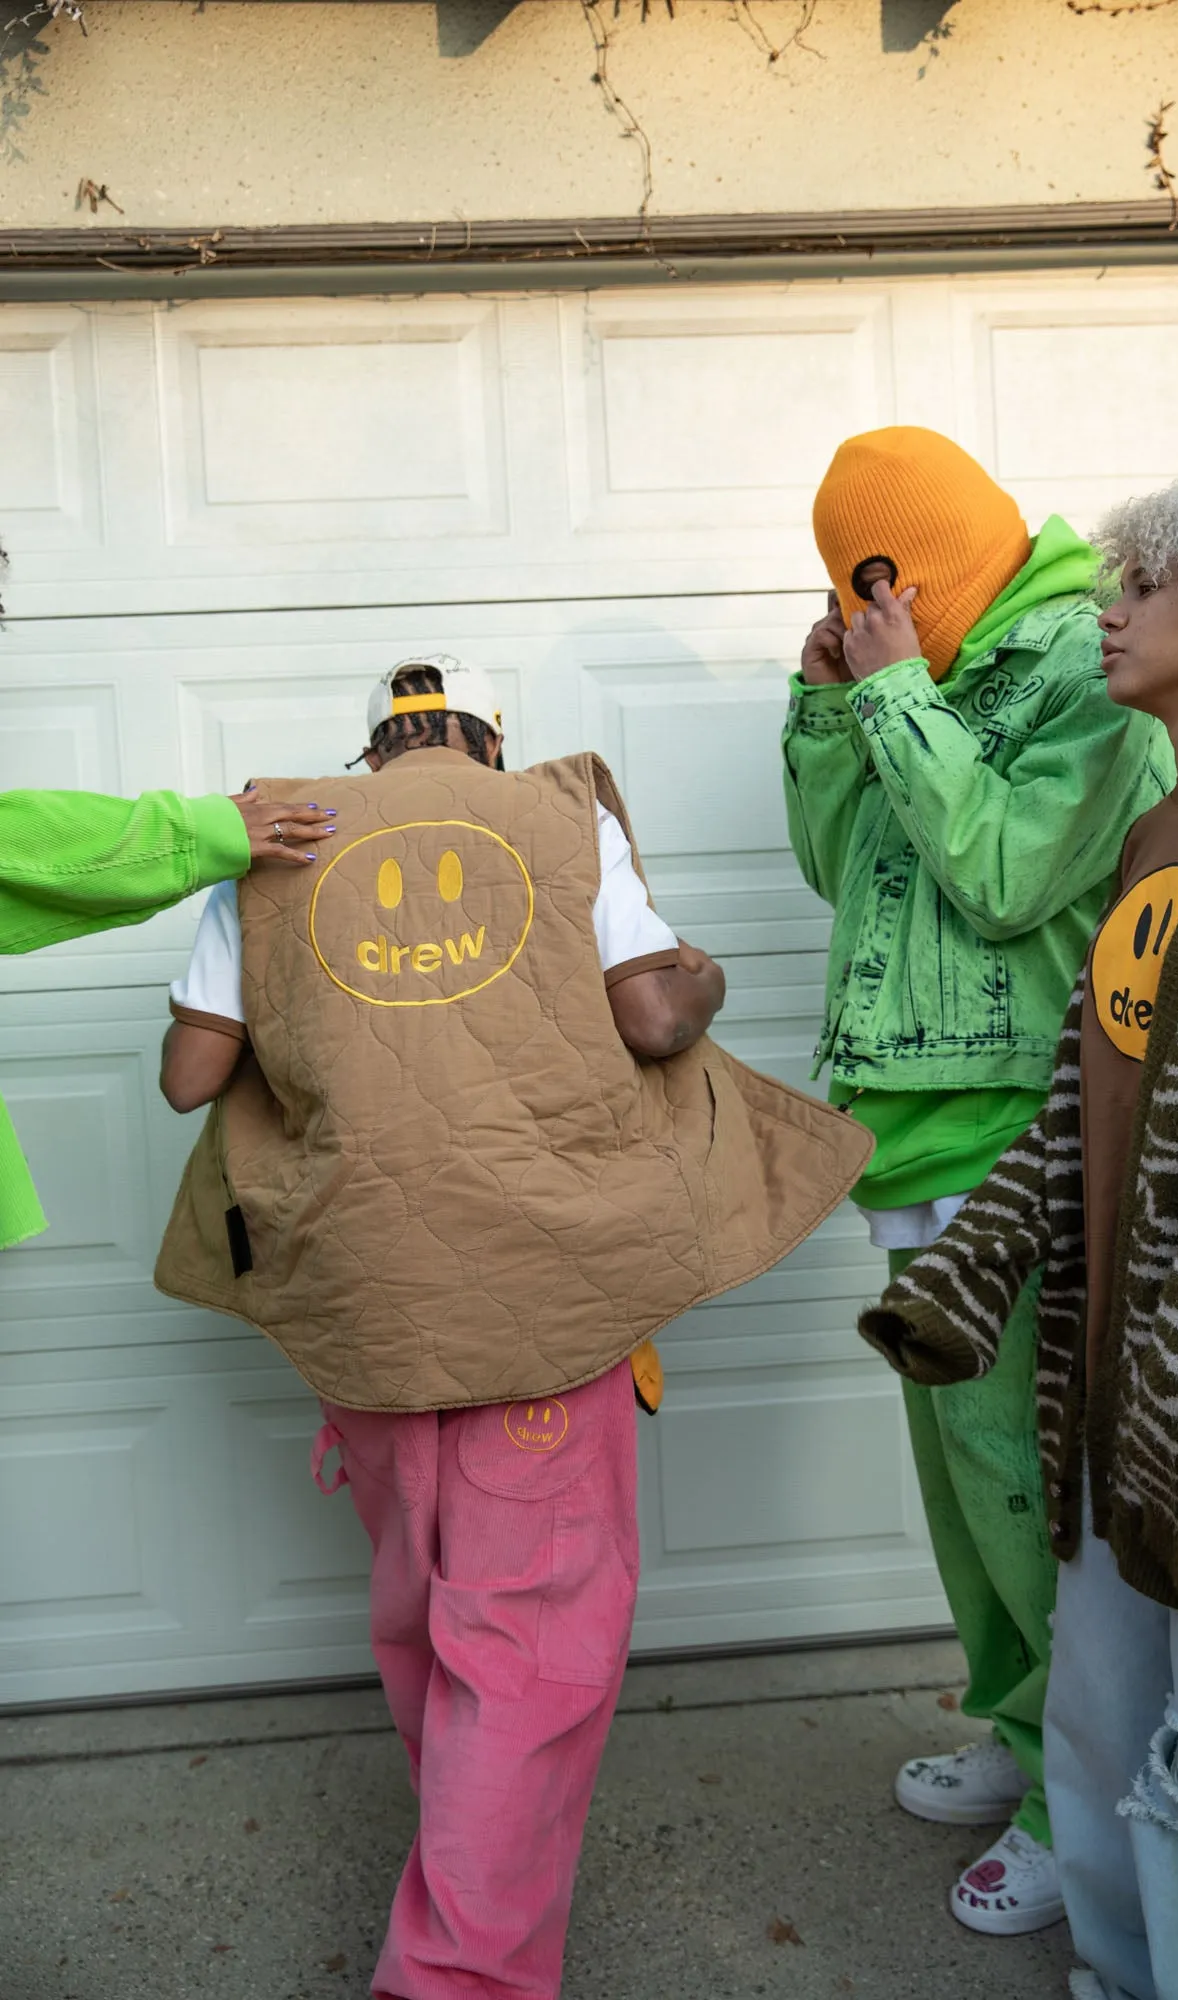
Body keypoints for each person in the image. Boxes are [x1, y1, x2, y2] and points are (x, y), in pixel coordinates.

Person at [154, 652, 871, 2000]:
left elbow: (192, 1076)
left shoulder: (275, 834)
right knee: (528, 1653)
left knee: (425, 1620)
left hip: (363, 1303)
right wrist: (703, 979)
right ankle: (457, 1973)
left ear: (374, 751)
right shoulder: (557, 814)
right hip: (548, 1298)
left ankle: (466, 1884)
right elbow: (655, 1016)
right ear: (492, 739)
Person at [860, 465, 1178, 2000]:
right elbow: (1082, 1101)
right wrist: (968, 1273)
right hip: (1114, 1416)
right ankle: (1122, 1971)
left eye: (1145, 584)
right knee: (1102, 1727)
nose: (1107, 609)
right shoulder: (1162, 821)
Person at [782, 426, 1173, 1935]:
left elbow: (1007, 872)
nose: (868, 610)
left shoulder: (1087, 664)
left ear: (917, 569)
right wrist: (835, 712)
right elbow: (839, 864)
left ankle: (1092, 1811)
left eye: (874, 583)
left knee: (1027, 1494)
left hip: (1020, 1136)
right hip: (909, 1135)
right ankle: (1022, 1735)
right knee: (967, 1496)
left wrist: (892, 692)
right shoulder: (922, 676)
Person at [0, 780, 334, 1250]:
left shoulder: (267, 883)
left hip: (327, 1220)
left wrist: (201, 833)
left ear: (373, 754)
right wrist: (197, 834)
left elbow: (187, 1082)